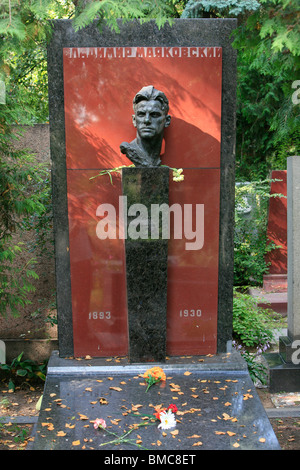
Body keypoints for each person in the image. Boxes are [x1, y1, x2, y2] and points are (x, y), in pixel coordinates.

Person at [120, 85, 171, 167]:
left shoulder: (155, 159)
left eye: (154, 115)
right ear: (134, 120)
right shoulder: (129, 149)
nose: (147, 120)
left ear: (167, 121)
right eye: (141, 114)